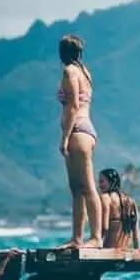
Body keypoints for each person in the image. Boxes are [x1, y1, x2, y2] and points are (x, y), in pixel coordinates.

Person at [55, 34, 103, 248]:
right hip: (86, 129)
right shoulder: (85, 72)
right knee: (76, 188)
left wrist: (64, 138)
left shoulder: (69, 71)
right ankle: (77, 238)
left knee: (87, 186)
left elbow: (73, 105)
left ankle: (95, 237)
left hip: (78, 130)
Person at [98, 169, 140, 250]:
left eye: (101, 181)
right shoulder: (130, 201)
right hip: (126, 251)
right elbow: (136, 232)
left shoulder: (105, 198)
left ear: (111, 181)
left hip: (109, 252)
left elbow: (104, 228)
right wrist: (138, 252)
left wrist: (96, 247)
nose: (99, 185)